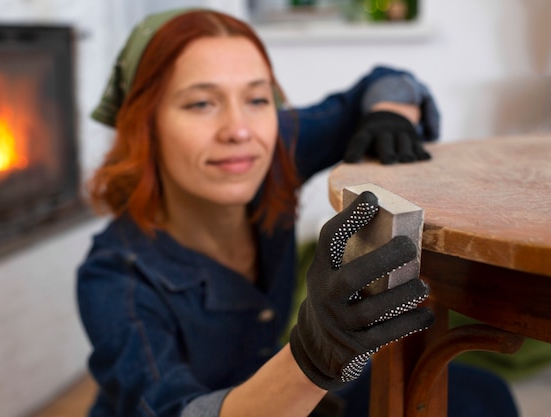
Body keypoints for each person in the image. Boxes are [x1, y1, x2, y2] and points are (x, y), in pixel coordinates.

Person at [76, 8, 518, 417]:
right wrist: (311, 357)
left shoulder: (268, 151)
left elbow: (387, 81)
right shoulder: (115, 279)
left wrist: (390, 115)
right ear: (143, 126)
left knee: (484, 399)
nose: (240, 130)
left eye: (257, 99)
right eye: (200, 103)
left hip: (291, 392)